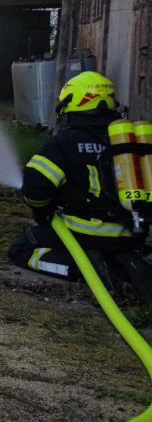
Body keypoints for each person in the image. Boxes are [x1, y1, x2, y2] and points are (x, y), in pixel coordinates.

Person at [8, 70, 151, 304]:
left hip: (83, 233)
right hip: (132, 234)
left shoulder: (65, 142)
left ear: (72, 103)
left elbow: (35, 188)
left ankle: (83, 270)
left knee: (22, 249)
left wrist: (42, 212)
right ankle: (122, 265)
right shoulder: (131, 142)